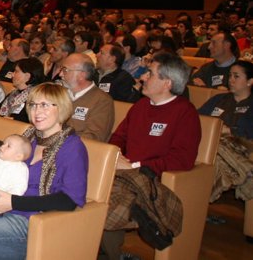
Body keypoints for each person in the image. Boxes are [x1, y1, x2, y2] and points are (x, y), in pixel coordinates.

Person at [0, 82, 89, 260]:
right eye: (33, 105)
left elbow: (69, 200)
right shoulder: (29, 138)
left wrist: (14, 202)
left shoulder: (72, 147)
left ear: (62, 108)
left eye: (44, 105)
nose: (37, 111)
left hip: (27, 222)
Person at [102, 51, 201, 258]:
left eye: (150, 74)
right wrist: (117, 156)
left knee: (103, 203)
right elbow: (119, 137)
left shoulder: (185, 113)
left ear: (167, 83)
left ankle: (106, 253)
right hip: (127, 172)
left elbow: (181, 159)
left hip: (152, 178)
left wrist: (136, 165)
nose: (142, 78)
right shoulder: (141, 106)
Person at [198, 61, 253, 201]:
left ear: (250, 81)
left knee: (216, 155)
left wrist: (231, 132)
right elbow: (197, 118)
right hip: (209, 144)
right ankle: (245, 172)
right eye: (230, 76)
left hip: (240, 146)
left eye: (236, 76)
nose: (231, 80)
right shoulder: (219, 99)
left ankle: (197, 203)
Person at [60, 53, 114, 142]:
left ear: (82, 75)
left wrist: (59, 142)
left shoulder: (102, 101)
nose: (60, 74)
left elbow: (93, 138)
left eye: (65, 70)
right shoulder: (60, 94)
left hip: (75, 151)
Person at [0, 57, 45, 122]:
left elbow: (22, 121)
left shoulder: (35, 98)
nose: (12, 74)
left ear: (27, 76)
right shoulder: (14, 93)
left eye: (16, 71)